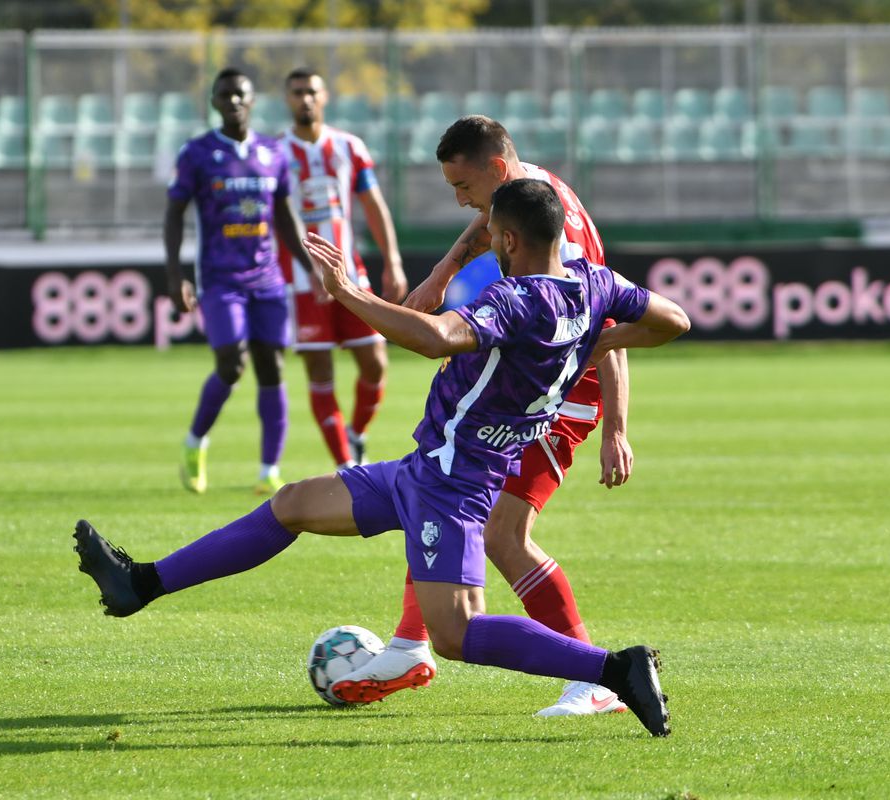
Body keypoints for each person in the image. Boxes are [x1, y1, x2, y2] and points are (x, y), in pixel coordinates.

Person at [74, 178, 689, 737]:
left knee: (455, 635)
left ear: (507, 238)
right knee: (291, 504)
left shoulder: (517, 300)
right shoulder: (594, 285)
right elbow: (675, 319)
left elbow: (434, 337)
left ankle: (614, 669)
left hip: (450, 486)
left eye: (490, 235)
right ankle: (141, 584)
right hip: (427, 470)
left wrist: (347, 293)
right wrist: (597, 339)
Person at [385, 115, 634, 717]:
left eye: (464, 187)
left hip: (564, 397)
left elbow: (609, 328)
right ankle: (410, 645)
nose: (461, 201)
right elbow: (480, 226)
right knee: (444, 488)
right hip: (524, 393)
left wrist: (616, 428)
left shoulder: (563, 245)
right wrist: (442, 273)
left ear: (496, 171)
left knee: (501, 531)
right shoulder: (530, 189)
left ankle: (594, 677)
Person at [164, 67, 316, 497]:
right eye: (225, 95)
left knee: (272, 367)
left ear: (252, 101)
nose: (232, 101)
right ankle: (195, 443)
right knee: (231, 362)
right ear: (214, 102)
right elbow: (174, 213)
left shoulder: (272, 152)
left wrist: (310, 269)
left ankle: (269, 470)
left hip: (267, 278)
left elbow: (284, 216)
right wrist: (175, 275)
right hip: (219, 278)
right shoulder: (197, 153)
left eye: (240, 95)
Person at [276, 68, 408, 469]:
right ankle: (345, 464)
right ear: (288, 99)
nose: (305, 99)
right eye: (297, 92)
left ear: (325, 96)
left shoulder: (349, 147)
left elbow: (373, 205)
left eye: (312, 91)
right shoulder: (275, 154)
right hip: (301, 283)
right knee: (319, 366)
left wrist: (393, 261)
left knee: (375, 362)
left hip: (351, 273)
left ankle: (357, 432)